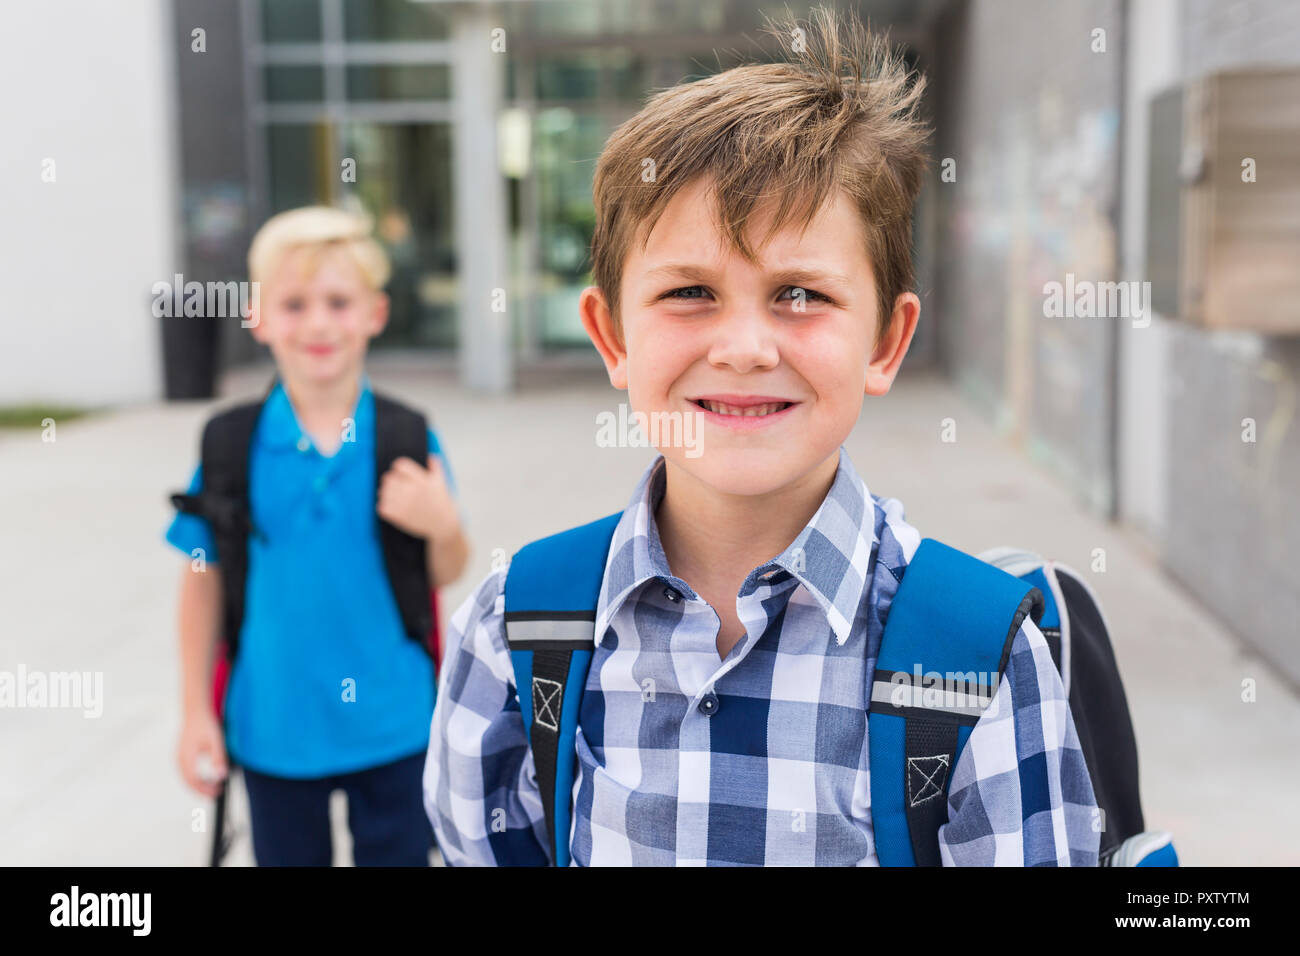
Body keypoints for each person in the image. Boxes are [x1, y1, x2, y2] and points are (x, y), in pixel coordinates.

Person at [423, 8, 1098, 866]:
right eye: (690, 292)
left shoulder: (980, 660)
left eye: (800, 294)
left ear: (886, 343)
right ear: (613, 340)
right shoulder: (519, 625)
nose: (744, 349)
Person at [169, 206, 469, 866]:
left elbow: (446, 567)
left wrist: (441, 524)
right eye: (295, 304)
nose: (319, 324)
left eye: (339, 302)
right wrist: (196, 711)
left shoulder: (407, 437)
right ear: (259, 317)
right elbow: (201, 585)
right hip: (273, 727)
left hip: (395, 723)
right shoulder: (230, 445)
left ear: (375, 314)